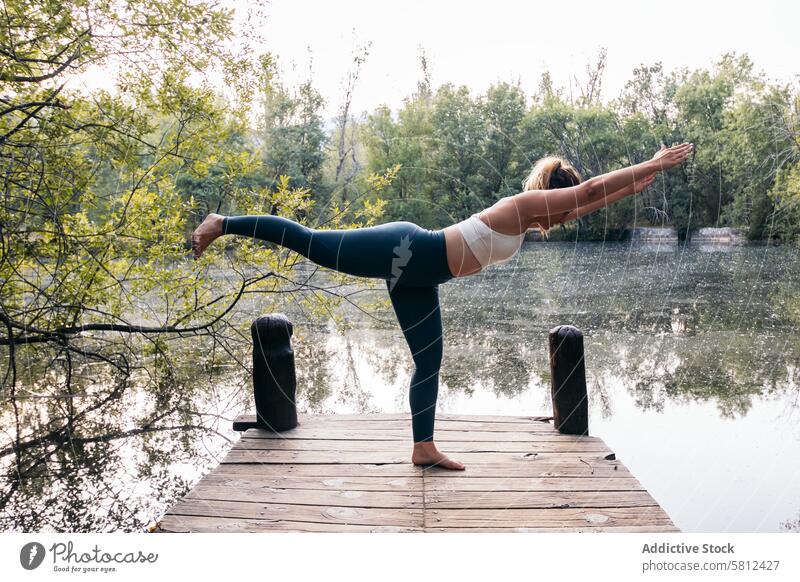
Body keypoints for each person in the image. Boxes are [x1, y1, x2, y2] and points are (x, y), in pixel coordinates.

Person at [192, 142, 694, 470]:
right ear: (551, 199)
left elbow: (589, 199)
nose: (566, 219)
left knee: (429, 361)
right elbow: (585, 192)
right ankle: (223, 222)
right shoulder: (522, 207)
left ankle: (422, 447)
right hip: (406, 251)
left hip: (419, 278)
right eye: (564, 210)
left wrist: (634, 184)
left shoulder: (536, 215)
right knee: (312, 243)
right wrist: (652, 163)